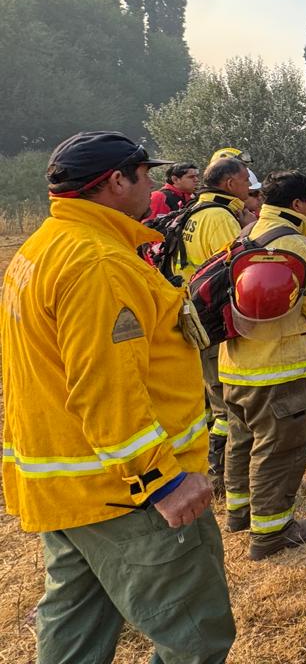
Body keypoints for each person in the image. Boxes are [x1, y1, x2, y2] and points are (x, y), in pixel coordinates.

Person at [1, 131, 235, 662]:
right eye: (144, 174)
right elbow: (105, 389)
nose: (153, 183)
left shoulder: (42, 249)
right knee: (195, 639)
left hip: (71, 486)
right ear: (115, 182)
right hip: (126, 494)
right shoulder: (97, 265)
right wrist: (163, 480)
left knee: (75, 633)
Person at [222, 171, 306, 560]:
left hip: (234, 363)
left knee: (242, 439)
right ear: (300, 203)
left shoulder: (244, 234)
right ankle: (272, 531)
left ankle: (238, 513)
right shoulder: (296, 245)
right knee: (280, 448)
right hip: (279, 368)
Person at [179, 156, 253, 490]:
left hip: (188, 315)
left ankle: (209, 466)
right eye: (243, 181)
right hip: (211, 319)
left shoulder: (193, 211)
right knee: (226, 406)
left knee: (209, 400)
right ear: (228, 183)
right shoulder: (221, 217)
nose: (248, 187)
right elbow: (238, 268)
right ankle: (220, 473)